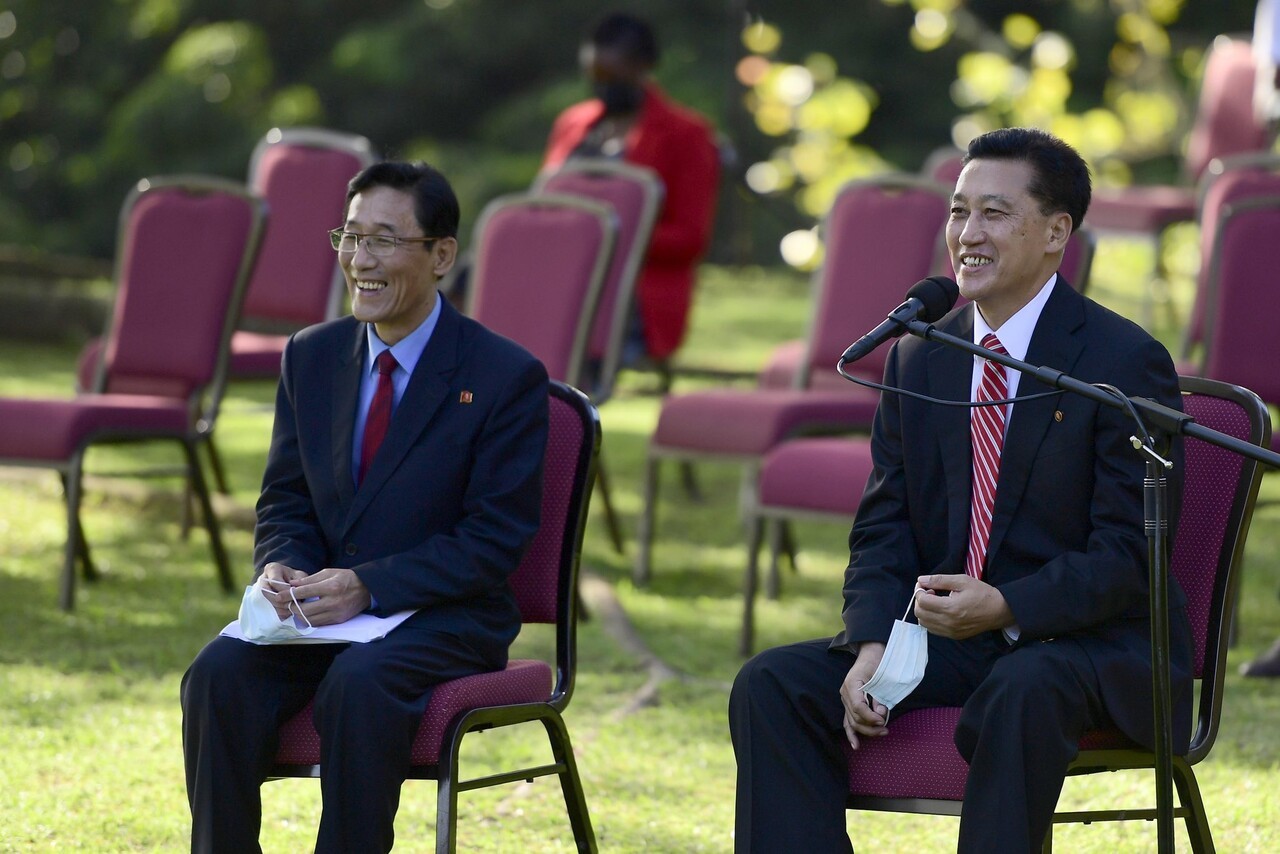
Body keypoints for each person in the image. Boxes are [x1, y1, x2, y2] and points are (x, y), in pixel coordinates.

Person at [728, 128, 1193, 853]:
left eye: (994, 213)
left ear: (1055, 233)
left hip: (1084, 643)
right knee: (773, 686)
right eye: (957, 212)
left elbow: (1130, 555)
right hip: (951, 640)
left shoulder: (1122, 361)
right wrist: (872, 643)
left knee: (1022, 689)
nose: (967, 235)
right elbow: (884, 524)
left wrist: (1007, 605)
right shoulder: (922, 353)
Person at [180, 161, 550, 853]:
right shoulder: (311, 356)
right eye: (349, 238)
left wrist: (371, 587)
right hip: (321, 613)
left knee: (359, 685)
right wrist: (283, 563)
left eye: (383, 240)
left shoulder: (503, 377)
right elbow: (286, 495)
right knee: (216, 675)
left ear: (442, 255)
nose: (360, 260)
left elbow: (494, 539)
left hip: (446, 614)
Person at [542, 11, 720, 365]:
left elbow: (690, 237)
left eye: (612, 76)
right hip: (558, 275)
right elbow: (542, 202)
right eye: (594, 75)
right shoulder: (573, 123)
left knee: (549, 314)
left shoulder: (687, 134)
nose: (602, 85)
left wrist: (606, 238)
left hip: (634, 295)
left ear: (644, 67)